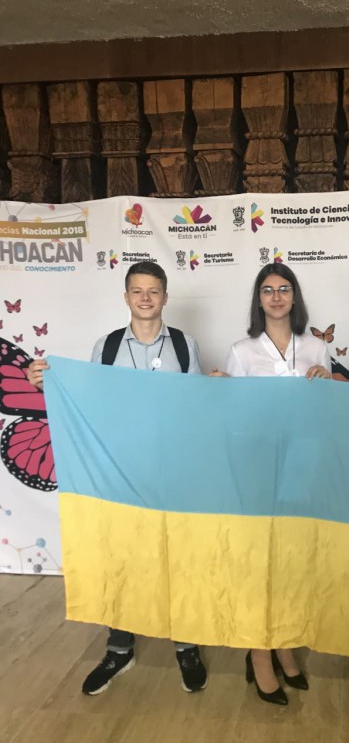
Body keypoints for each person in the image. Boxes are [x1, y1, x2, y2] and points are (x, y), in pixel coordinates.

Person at [27, 261, 208, 697]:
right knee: (121, 559)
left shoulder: (185, 346)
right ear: (126, 297)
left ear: (165, 297)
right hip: (118, 475)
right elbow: (86, 401)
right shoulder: (106, 347)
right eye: (137, 291)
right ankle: (120, 648)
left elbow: (200, 406)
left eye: (153, 290)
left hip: (172, 474)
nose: (145, 298)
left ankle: (185, 646)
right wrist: (45, 384)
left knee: (177, 558)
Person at [214, 262, 331, 706]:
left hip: (302, 466)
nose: (277, 296)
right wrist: (222, 390)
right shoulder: (242, 351)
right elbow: (232, 416)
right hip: (256, 468)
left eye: (284, 288)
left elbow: (327, 414)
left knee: (291, 561)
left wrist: (328, 384)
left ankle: (284, 643)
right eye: (268, 289)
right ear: (258, 299)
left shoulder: (316, 347)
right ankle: (258, 652)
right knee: (257, 561)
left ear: (294, 296)